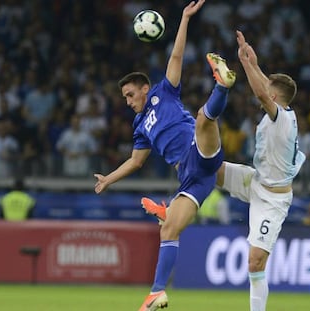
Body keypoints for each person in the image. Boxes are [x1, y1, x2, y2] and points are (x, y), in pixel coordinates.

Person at [145, 30, 305, 311]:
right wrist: (251, 60)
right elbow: (266, 86)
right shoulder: (279, 110)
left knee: (255, 262)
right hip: (256, 180)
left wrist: (245, 66)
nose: (264, 89)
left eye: (270, 89)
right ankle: (174, 211)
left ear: (276, 96)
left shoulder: (282, 120)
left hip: (273, 199)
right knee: (207, 166)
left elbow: (261, 90)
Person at [93, 1, 236, 310]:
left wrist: (184, 19)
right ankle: (157, 292)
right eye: (125, 97)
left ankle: (222, 88)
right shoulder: (139, 126)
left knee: (203, 120)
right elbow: (136, 161)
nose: (128, 101)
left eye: (131, 94)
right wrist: (109, 179)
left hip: (197, 153)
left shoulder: (163, 92)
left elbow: (177, 55)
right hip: (193, 177)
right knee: (169, 230)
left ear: (145, 88)